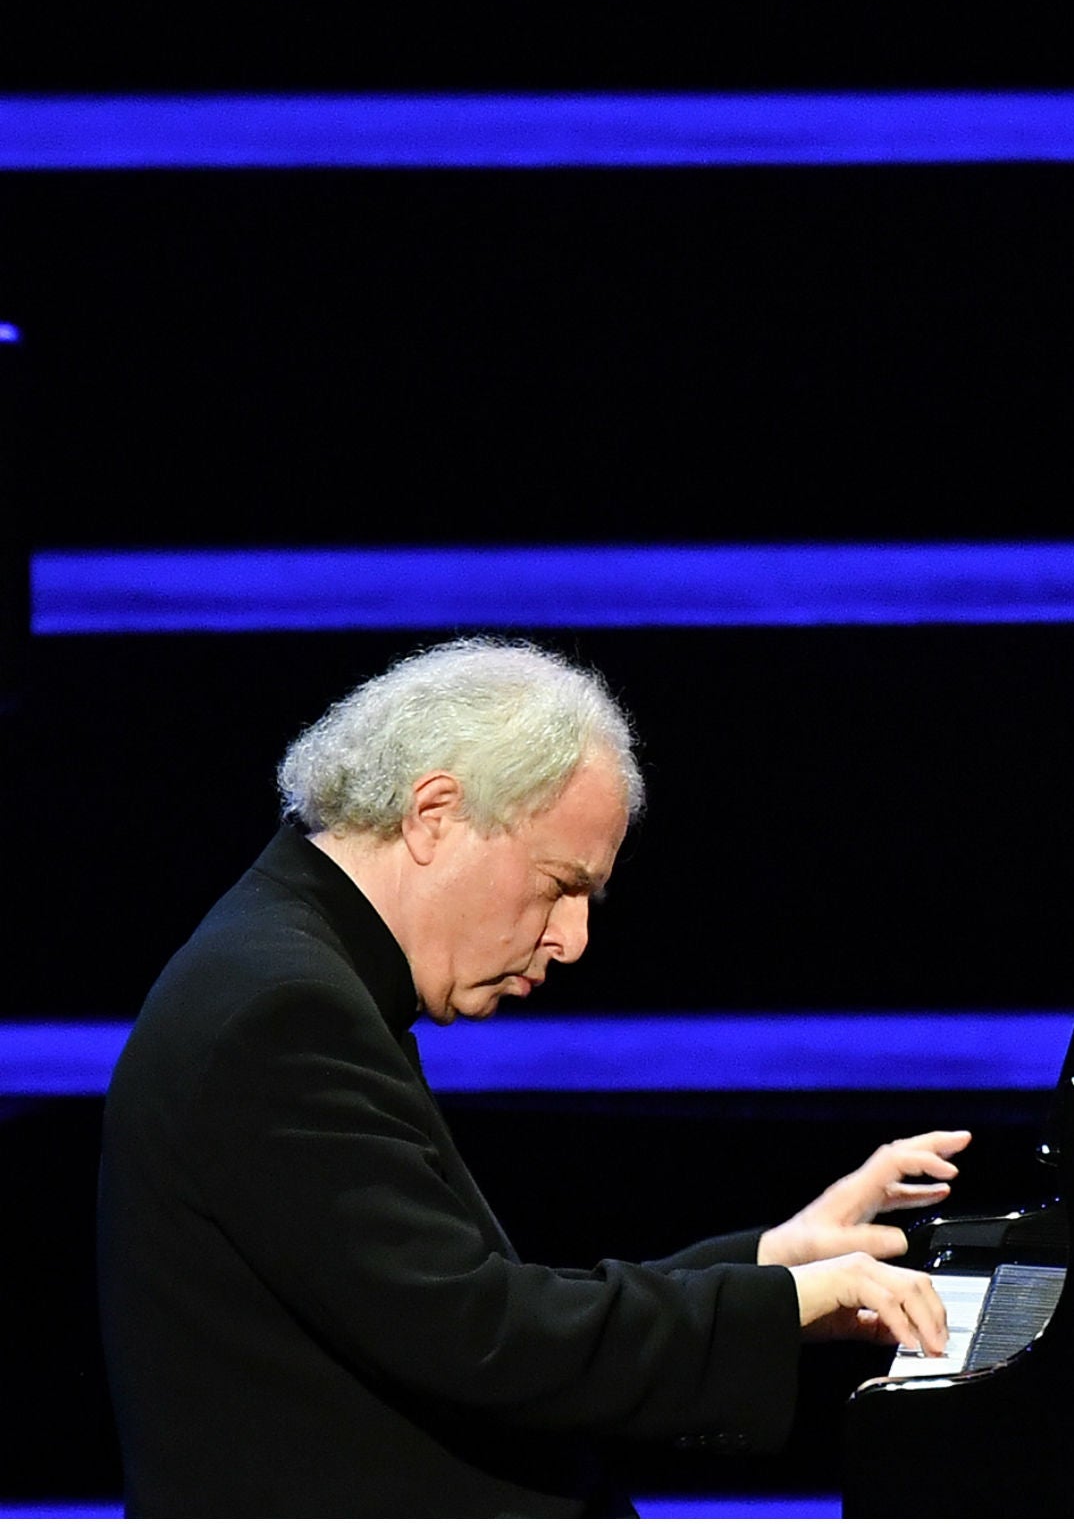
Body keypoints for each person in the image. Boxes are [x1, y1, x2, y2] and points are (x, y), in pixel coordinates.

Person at [97, 637, 968, 1517]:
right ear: (434, 815)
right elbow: (482, 1337)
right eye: (559, 886)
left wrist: (768, 1258)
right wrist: (778, 1304)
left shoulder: (295, 965)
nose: (573, 940)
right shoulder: (282, 1011)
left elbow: (461, 1304)